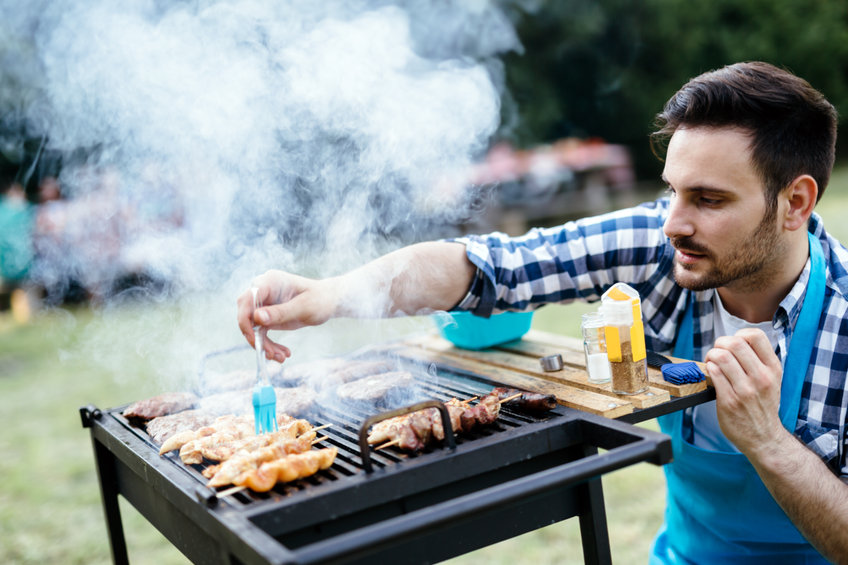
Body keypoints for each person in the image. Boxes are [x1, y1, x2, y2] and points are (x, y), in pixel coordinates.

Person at [237, 62, 847, 563]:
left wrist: (769, 442)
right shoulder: (667, 244)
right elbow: (492, 265)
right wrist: (331, 294)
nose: (672, 223)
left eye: (709, 199)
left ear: (795, 202)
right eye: (672, 190)